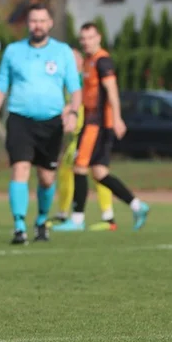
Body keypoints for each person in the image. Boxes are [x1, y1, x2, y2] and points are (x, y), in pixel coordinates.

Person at [0, 3, 82, 245]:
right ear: (28, 24)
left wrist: (72, 112)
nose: (37, 25)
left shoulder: (62, 52)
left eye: (42, 21)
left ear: (50, 23)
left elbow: (75, 88)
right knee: (20, 168)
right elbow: (0, 86)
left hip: (50, 123)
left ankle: (40, 221)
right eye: (33, 21)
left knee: (47, 178)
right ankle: (19, 226)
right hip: (20, 120)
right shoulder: (13, 52)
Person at [52, 22, 150, 232]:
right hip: (91, 121)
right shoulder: (89, 61)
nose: (86, 42)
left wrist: (117, 118)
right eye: (83, 38)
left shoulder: (103, 61)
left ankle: (77, 220)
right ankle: (138, 206)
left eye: (90, 37)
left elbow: (112, 90)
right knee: (99, 173)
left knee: (79, 167)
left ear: (99, 38)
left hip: (97, 123)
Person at [53, 47, 116, 231]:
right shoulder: (68, 80)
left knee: (95, 171)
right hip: (77, 132)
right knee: (71, 170)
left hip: (88, 130)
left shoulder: (85, 79)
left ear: (81, 61)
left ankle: (106, 216)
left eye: (73, 60)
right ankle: (65, 213)